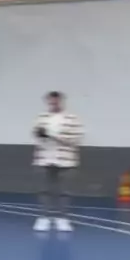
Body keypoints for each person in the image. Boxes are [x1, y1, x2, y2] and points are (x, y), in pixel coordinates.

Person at [32, 91, 83, 233]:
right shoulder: (41, 118)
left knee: (64, 191)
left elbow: (75, 139)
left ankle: (62, 219)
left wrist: (52, 136)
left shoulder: (72, 118)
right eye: (51, 102)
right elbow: (36, 137)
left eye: (56, 101)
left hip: (66, 161)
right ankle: (44, 217)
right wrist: (40, 136)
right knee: (44, 190)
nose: (54, 104)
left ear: (62, 101)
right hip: (44, 159)